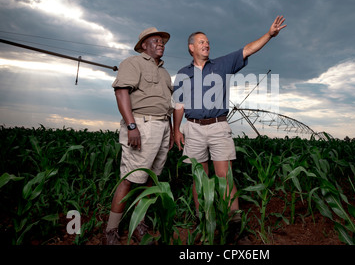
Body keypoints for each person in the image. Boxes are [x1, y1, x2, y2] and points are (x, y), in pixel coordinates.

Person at [173, 16, 286, 238]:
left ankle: (234, 224)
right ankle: (202, 219)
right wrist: (176, 130)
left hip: (218, 127)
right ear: (191, 47)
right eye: (202, 41)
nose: (207, 44)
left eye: (208, 42)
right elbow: (179, 105)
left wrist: (269, 35)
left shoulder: (222, 64)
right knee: (199, 177)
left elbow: (247, 50)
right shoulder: (183, 74)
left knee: (225, 176)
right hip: (193, 128)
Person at [105, 27, 174, 245]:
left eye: (162, 41)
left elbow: (167, 105)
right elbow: (121, 92)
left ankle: (138, 225)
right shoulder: (133, 63)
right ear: (144, 45)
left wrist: (170, 130)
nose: (161, 43)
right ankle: (111, 232)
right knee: (129, 179)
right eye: (155, 40)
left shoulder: (164, 72)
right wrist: (131, 125)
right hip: (141, 125)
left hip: (162, 126)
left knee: (149, 181)